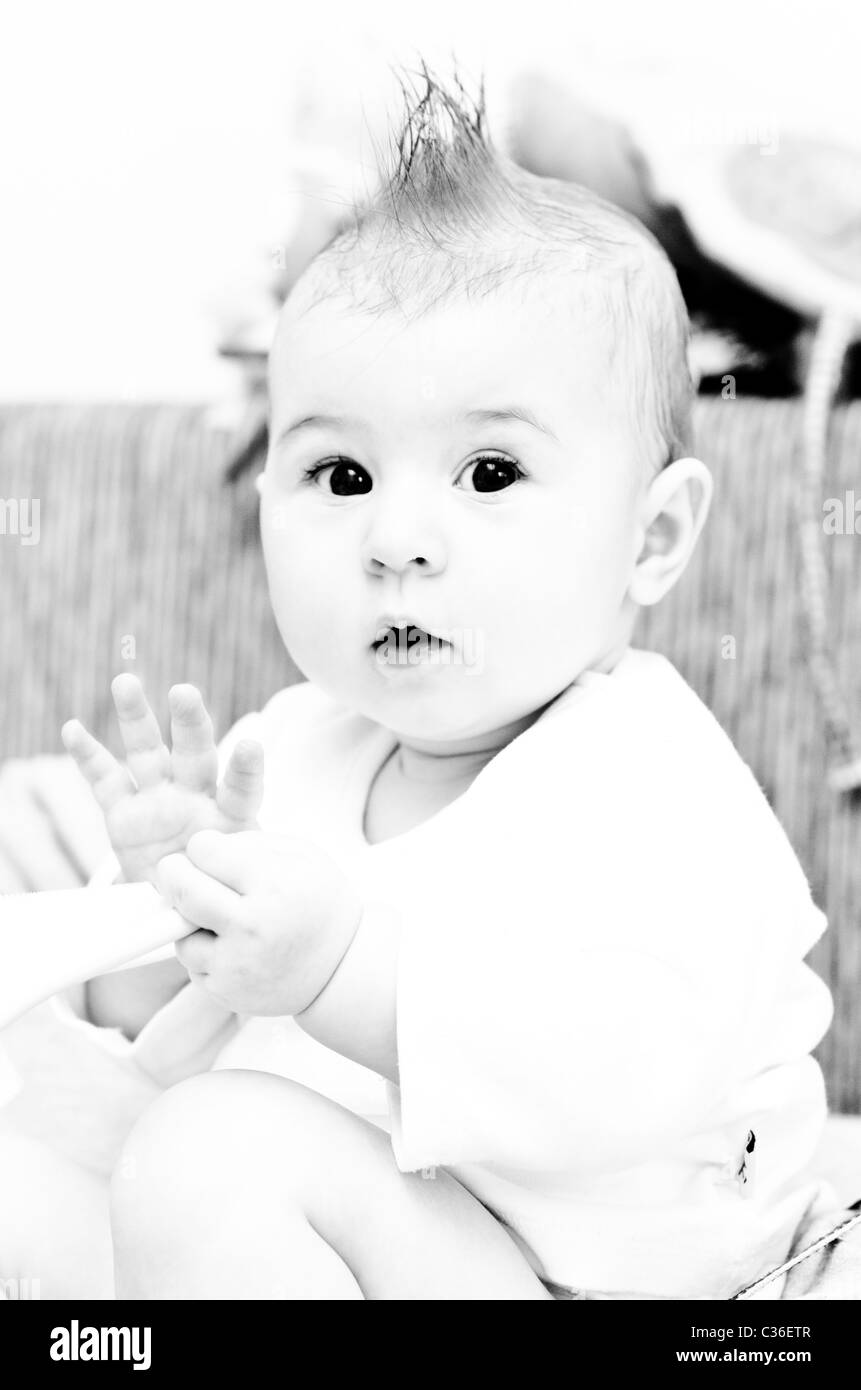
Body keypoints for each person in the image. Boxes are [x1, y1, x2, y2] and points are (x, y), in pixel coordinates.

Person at [1, 68, 835, 1300]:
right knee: (36, 1184)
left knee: (211, 1157)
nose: (397, 538)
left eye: (490, 472)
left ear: (652, 539)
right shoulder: (291, 750)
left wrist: (338, 964)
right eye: (341, 477)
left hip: (623, 1281)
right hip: (418, 1248)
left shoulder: (654, 778)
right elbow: (184, 1046)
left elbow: (623, 1073)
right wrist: (169, 919)